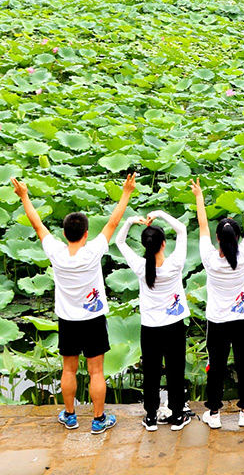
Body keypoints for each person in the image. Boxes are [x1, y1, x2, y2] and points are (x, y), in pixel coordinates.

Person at [11, 173, 136, 434]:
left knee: (68, 369)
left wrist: (24, 196)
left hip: (68, 320)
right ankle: (99, 419)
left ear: (64, 234)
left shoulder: (56, 252)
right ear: (86, 233)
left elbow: (36, 225)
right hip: (93, 319)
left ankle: (70, 415)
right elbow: (113, 222)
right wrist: (126, 192)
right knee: (96, 371)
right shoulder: (93, 251)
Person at [193, 177, 244, 429]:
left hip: (217, 321)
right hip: (243, 319)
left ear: (218, 239)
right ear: (237, 238)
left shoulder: (208, 257)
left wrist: (199, 196)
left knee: (215, 365)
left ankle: (214, 413)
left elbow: (202, 225)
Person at [115, 209, 193, 431]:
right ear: (164, 244)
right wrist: (160, 213)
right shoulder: (175, 264)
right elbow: (182, 229)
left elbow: (120, 242)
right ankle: (178, 415)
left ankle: (150, 417)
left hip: (150, 328)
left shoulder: (141, 267)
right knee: (175, 370)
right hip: (174, 326)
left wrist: (130, 220)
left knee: (150, 372)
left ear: (145, 246)